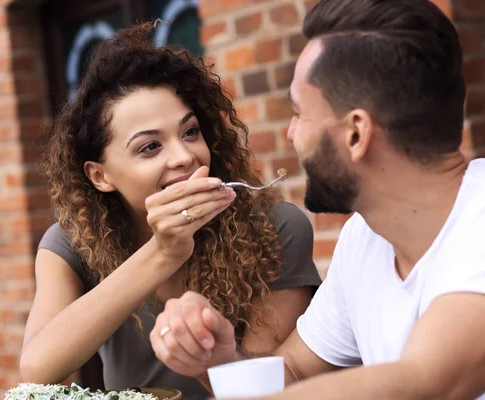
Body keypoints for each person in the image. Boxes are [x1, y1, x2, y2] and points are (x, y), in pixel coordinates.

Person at [150, 0, 485, 398]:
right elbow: (294, 372)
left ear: (356, 134)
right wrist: (219, 360)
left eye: (298, 113)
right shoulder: (364, 238)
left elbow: (426, 382)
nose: (290, 133)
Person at [19, 22, 322, 397]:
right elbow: (37, 369)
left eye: (190, 132)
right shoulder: (70, 244)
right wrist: (162, 253)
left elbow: (270, 385)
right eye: (150, 147)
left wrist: (209, 358)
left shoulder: (275, 227)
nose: (185, 157)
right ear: (100, 176)